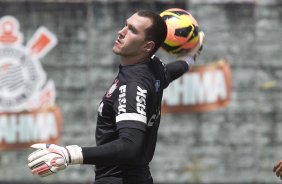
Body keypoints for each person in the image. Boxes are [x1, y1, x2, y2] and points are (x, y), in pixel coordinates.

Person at [27, 10, 205, 184]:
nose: (122, 32)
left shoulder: (132, 87)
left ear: (148, 46)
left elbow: (130, 146)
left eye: (132, 30)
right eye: (126, 25)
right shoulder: (153, 68)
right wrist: (191, 57)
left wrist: (70, 155)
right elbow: (171, 72)